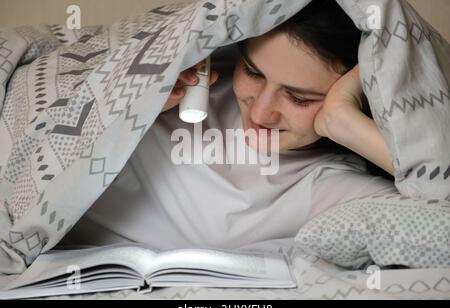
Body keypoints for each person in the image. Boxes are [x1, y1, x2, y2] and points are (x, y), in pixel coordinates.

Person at [60, 0, 397, 250]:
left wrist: (344, 119)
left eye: (300, 99)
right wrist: (124, 107)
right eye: (252, 72)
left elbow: (441, 217)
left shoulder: (327, 182)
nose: (261, 114)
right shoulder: (186, 82)